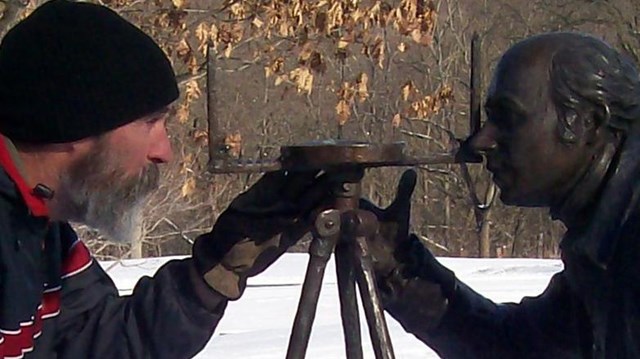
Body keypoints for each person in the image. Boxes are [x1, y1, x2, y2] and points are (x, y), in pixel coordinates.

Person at [0, 1, 337, 358]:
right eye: (149, 123)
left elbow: (98, 343)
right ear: (71, 125)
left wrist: (212, 271)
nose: (164, 151)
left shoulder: (39, 227)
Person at [363, 32, 640, 358]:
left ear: (589, 122)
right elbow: (519, 347)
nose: (481, 142)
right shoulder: (604, 248)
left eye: (507, 118)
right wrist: (399, 270)